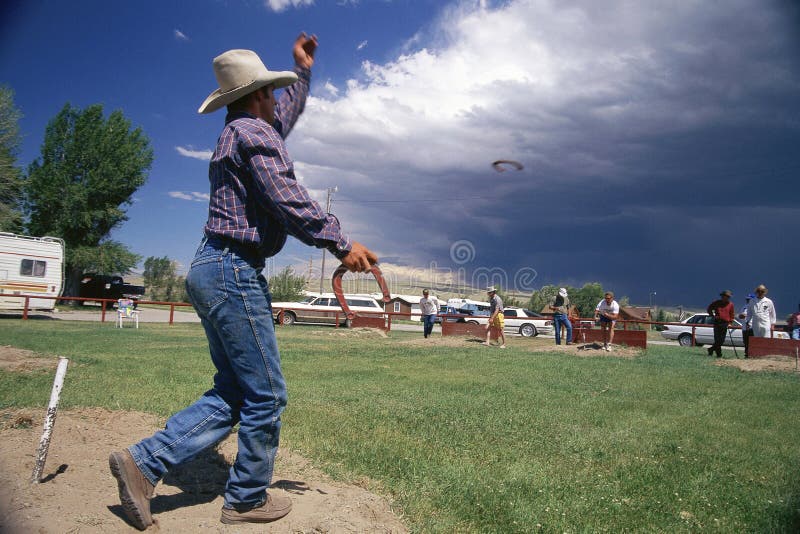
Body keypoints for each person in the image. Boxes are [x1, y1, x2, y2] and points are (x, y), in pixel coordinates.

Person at [108, 36, 378, 530]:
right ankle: (248, 498)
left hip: (213, 267)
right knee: (267, 394)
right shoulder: (255, 133)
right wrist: (341, 243)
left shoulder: (246, 127)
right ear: (257, 97)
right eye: (272, 93)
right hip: (234, 269)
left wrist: (302, 71)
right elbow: (287, 197)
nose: (279, 101)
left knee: (236, 391)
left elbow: (284, 113)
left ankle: (142, 464)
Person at [706, 290, 735, 358]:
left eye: (728, 297)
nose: (727, 298)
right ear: (722, 296)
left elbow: (732, 314)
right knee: (717, 339)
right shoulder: (716, 303)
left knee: (722, 340)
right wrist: (712, 315)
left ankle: (711, 349)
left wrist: (730, 322)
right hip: (717, 322)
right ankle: (719, 354)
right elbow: (709, 308)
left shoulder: (731, 304)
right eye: (726, 296)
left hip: (725, 323)